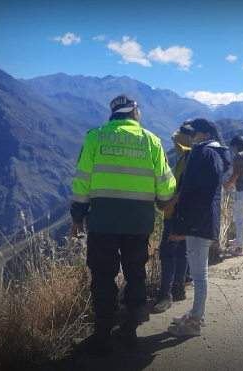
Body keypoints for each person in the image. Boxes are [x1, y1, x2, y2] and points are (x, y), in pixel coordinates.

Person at [70, 95, 175, 356]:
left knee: (103, 276)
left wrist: (77, 217)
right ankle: (129, 329)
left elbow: (83, 179)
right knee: (135, 273)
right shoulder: (151, 140)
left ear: (114, 113)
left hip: (103, 222)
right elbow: (165, 183)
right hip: (138, 222)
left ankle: (103, 336)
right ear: (135, 112)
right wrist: (163, 202)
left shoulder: (96, 137)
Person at [170, 118, 230, 337]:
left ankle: (195, 321)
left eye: (193, 133)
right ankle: (196, 312)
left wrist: (193, 221)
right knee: (197, 272)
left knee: (199, 274)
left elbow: (205, 192)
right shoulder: (207, 150)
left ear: (205, 134)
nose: (191, 136)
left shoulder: (208, 153)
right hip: (199, 219)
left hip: (199, 221)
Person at [152, 126, 193, 314]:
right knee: (182, 250)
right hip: (185, 215)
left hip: (174, 213)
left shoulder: (186, 162)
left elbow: (180, 191)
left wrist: (167, 201)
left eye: (176, 143)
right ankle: (178, 287)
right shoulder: (190, 160)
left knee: (168, 251)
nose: (174, 146)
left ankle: (165, 292)